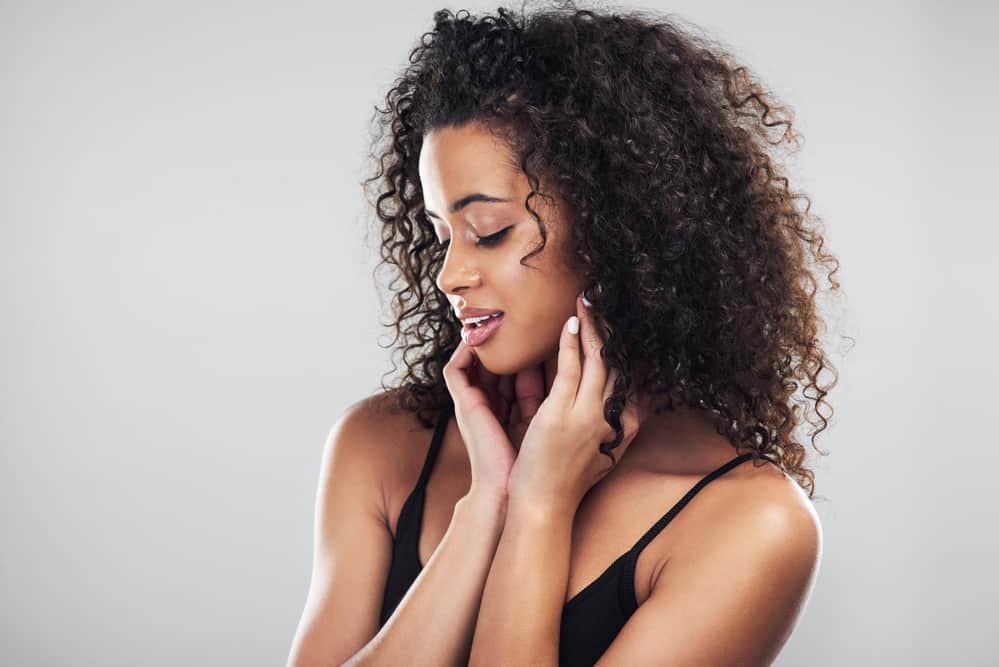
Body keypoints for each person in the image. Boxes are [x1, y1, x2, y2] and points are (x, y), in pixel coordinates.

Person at [288, 3, 842, 665]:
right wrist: (485, 505)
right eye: (441, 236)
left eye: (489, 231)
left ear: (616, 230)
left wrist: (541, 507)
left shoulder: (747, 522)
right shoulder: (379, 447)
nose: (449, 275)